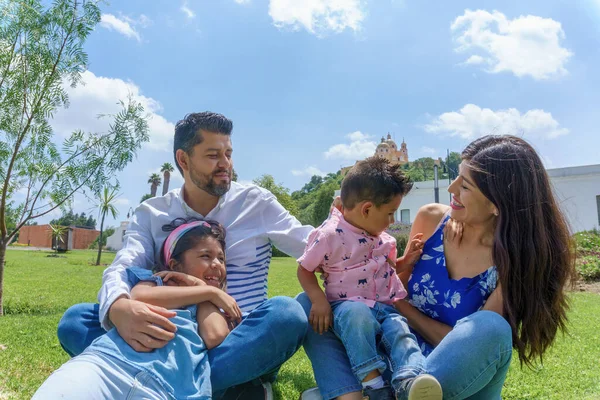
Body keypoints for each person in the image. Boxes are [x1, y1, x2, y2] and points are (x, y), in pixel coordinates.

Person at [57, 112, 313, 399]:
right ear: (183, 159)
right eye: (213, 155)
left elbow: (313, 247)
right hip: (171, 336)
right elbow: (124, 266)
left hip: (239, 341)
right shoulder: (152, 213)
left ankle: (159, 383)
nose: (225, 164)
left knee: (287, 315)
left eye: (228, 153)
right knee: (76, 321)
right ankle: (231, 388)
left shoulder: (256, 203)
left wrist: (352, 230)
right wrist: (117, 306)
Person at [298, 135, 575, 400]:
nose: (452, 189)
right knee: (311, 304)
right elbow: (391, 285)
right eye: (456, 177)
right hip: (394, 356)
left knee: (492, 327)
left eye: (465, 186)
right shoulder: (431, 220)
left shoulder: (514, 262)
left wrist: (403, 309)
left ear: (496, 204)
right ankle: (357, 393)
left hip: (449, 376)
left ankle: (367, 394)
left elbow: (464, 344)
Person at [34, 219, 238, 399]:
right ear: (175, 265)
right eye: (205, 256)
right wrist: (209, 293)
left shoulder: (210, 304)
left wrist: (205, 293)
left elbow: (215, 334)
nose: (216, 264)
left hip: (167, 390)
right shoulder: (159, 281)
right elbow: (139, 296)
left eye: (221, 259)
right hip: (109, 365)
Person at [297, 157, 442, 400]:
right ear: (366, 209)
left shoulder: (379, 236)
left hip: (383, 307)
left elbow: (387, 266)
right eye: (390, 213)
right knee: (358, 317)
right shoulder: (330, 234)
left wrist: (408, 260)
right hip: (346, 306)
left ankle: (411, 379)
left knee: (400, 330)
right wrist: (318, 300)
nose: (392, 221)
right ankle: (374, 384)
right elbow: (304, 269)